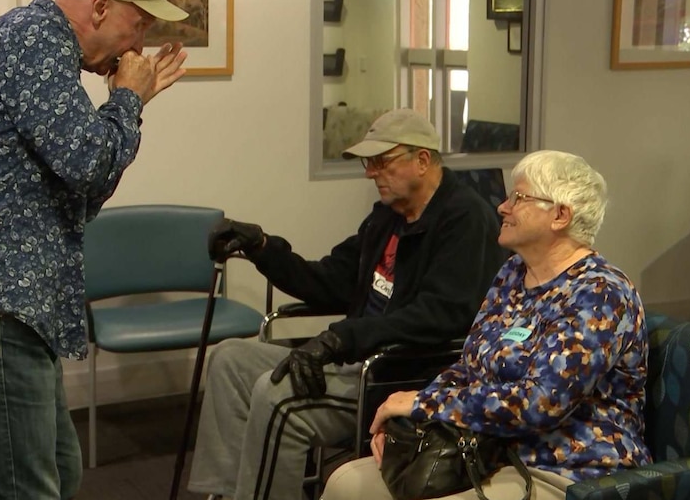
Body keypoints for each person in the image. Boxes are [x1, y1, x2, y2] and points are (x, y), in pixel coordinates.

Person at [0, 0, 189, 500]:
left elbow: (84, 191)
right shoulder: (33, 41)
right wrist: (130, 99)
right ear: (102, 5)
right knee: (27, 487)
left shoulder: (45, 49)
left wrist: (127, 106)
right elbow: (90, 164)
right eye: (139, 26)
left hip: (13, 301)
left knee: (59, 472)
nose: (137, 46)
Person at [187, 108, 506, 500]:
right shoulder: (387, 217)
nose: (370, 173)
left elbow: (440, 315)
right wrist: (262, 248)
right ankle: (228, 493)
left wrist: (339, 339)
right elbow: (329, 281)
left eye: (381, 162)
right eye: (368, 164)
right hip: (357, 355)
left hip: (398, 371)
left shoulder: (465, 219)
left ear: (422, 161)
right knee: (229, 359)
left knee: (277, 397)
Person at [321, 150, 652, 500]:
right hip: (486, 450)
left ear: (560, 215)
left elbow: (538, 403)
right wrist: (411, 424)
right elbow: (468, 369)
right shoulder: (513, 273)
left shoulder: (601, 293)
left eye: (519, 198)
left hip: (569, 468)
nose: (502, 207)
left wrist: (423, 404)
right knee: (346, 484)